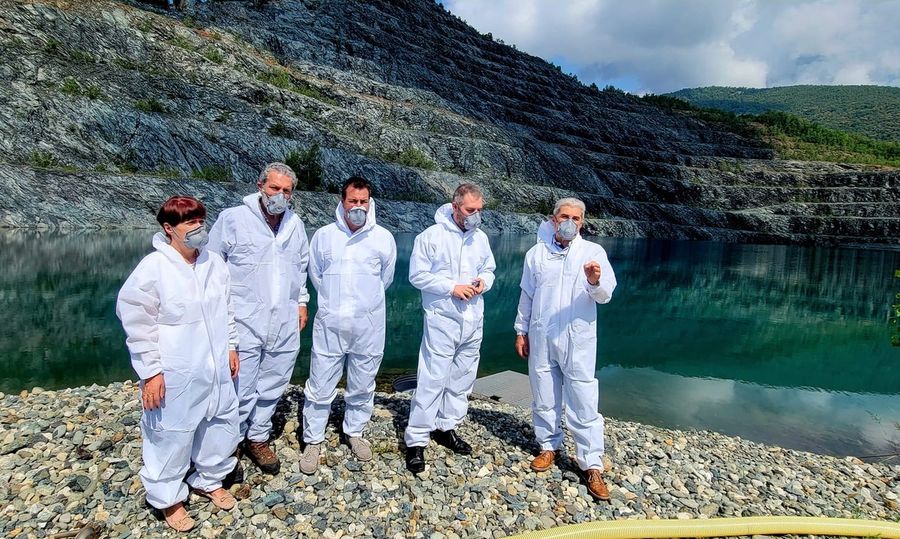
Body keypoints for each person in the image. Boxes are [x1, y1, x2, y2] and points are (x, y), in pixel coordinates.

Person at [116, 196, 240, 532]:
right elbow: (137, 323)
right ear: (168, 228)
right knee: (170, 432)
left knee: (221, 422)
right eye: (190, 223)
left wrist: (231, 346)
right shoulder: (153, 269)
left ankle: (209, 477)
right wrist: (151, 371)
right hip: (176, 369)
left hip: (214, 367)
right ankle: (168, 498)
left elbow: (227, 309)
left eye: (201, 220)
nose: (199, 228)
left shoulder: (214, 263)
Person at [207, 162, 309, 477]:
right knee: (239, 386)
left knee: (274, 383)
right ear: (260, 186)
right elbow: (212, 267)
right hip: (243, 319)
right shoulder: (233, 220)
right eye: (274, 188)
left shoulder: (295, 225)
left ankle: (258, 437)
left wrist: (302, 302)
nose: (279, 195)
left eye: (286, 191)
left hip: (284, 320)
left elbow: (300, 267)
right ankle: (230, 444)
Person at [513, 197, 617, 501]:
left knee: (584, 398)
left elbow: (606, 294)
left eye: (576, 217)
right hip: (543, 335)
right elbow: (527, 296)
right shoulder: (536, 255)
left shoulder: (592, 253)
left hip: (578, 338)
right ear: (553, 219)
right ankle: (548, 446)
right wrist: (521, 330)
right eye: (564, 216)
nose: (570, 221)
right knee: (544, 393)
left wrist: (595, 281)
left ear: (582, 222)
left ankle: (591, 464)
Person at [299, 176, 397, 473]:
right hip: (330, 325)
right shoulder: (324, 236)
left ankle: (354, 432)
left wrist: (363, 306)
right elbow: (315, 275)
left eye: (363, 202)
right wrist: (333, 305)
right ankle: (313, 440)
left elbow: (386, 280)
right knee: (319, 385)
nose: (358, 207)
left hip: (368, 326)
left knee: (363, 384)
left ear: (370, 203)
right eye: (352, 201)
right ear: (342, 202)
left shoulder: (383, 238)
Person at [403, 183, 496, 474]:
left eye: (479, 211)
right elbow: (417, 275)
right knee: (432, 378)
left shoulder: (480, 239)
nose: (475, 216)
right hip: (442, 319)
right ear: (455, 206)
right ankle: (416, 439)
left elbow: (489, 269)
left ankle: (446, 427)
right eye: (471, 210)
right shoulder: (431, 237)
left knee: (462, 379)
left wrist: (483, 282)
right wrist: (450, 288)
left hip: (473, 319)